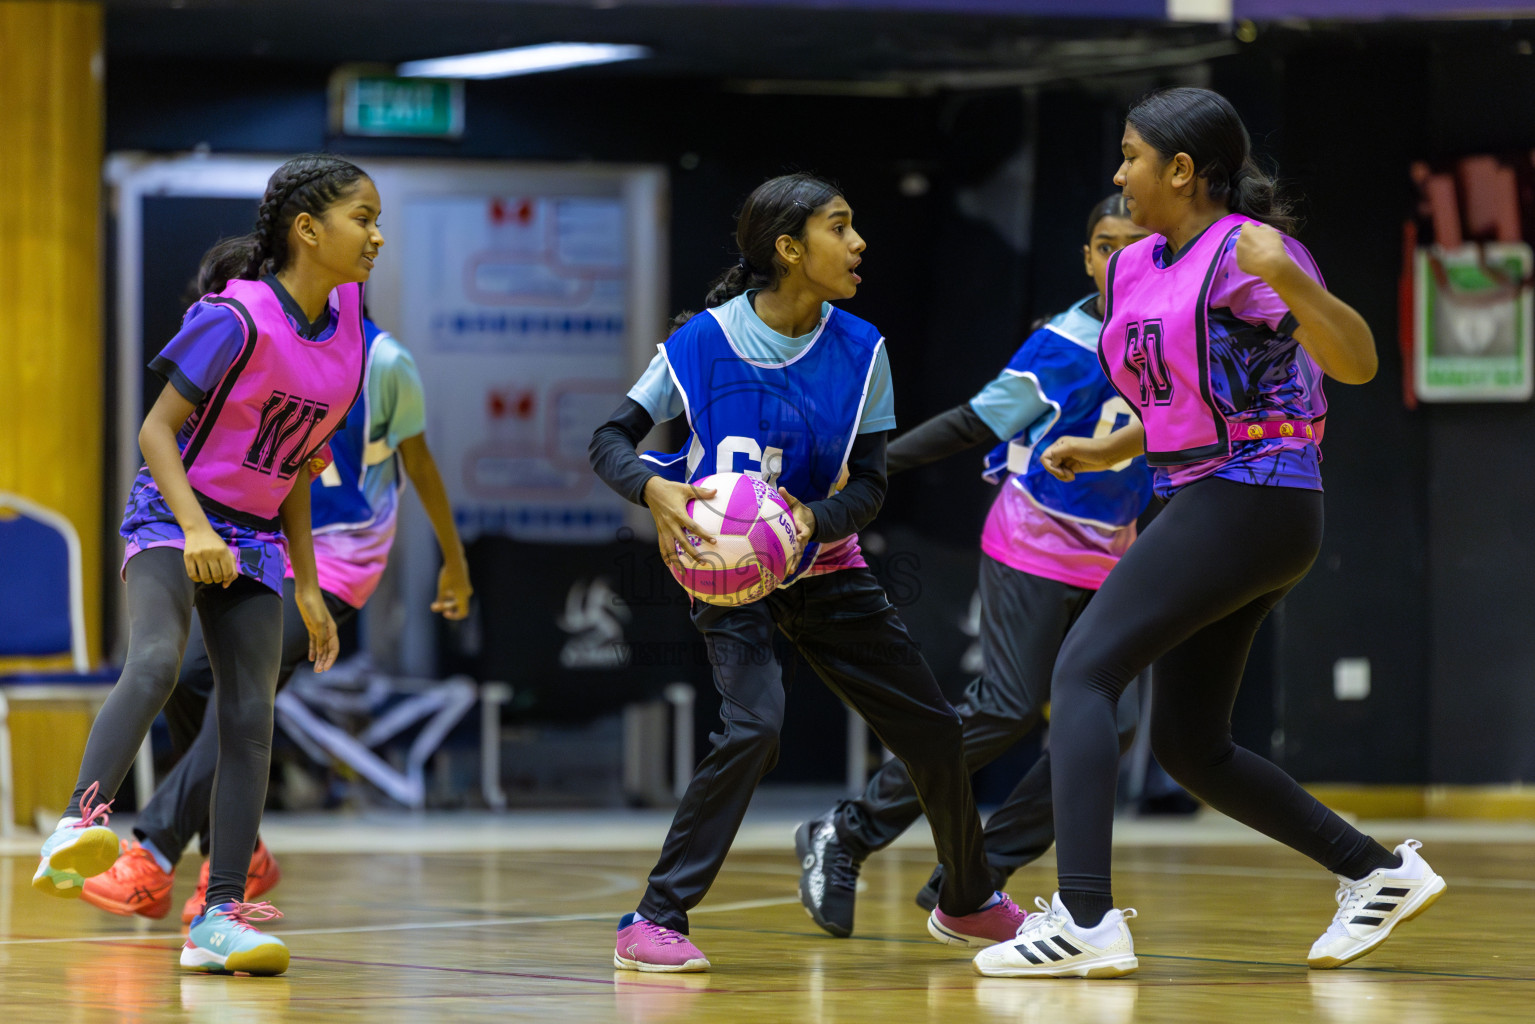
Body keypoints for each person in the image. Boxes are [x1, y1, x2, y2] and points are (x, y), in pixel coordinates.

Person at [972, 87, 1444, 980]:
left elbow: (1356, 361)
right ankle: (1375, 872)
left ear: (1182, 170)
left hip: (1254, 496)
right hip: (1207, 496)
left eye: (1131, 156)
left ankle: (1084, 918)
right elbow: (1182, 393)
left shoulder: (1247, 255)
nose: (1119, 174)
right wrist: (1111, 446)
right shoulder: (1135, 265)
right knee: (1191, 746)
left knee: (1082, 672)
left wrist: (1292, 280)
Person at [589, 173, 1025, 972]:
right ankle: (652, 919)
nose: (858, 243)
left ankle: (966, 901)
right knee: (753, 728)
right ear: (789, 249)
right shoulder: (700, 343)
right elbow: (609, 440)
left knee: (933, 730)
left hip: (824, 566)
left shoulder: (862, 350)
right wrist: (652, 490)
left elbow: (870, 486)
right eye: (840, 227)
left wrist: (806, 524)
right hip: (727, 576)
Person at [34, 154, 382, 978]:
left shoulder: (347, 330)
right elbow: (155, 431)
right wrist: (193, 529)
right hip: (174, 511)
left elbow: (296, 468)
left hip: (256, 535)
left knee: (249, 720)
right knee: (157, 659)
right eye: (362, 219)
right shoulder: (234, 319)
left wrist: (307, 585)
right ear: (308, 229)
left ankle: (218, 917)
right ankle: (80, 823)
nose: (376, 236)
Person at [796, 195, 1152, 939]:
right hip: (1033, 542)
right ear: (1087, 257)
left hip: (1113, 554)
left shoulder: (1174, 335)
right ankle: (848, 831)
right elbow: (971, 421)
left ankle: (976, 874)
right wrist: (868, 467)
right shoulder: (1063, 343)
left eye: (1136, 242)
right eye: (1103, 245)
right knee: (1008, 706)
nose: (1118, 259)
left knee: (1112, 727)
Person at [80, 313, 471, 924]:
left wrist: (455, 560)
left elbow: (418, 463)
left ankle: (155, 850)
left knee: (243, 699)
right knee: (187, 676)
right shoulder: (261, 340)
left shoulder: (385, 362)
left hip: (339, 559)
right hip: (258, 540)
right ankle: (241, 847)